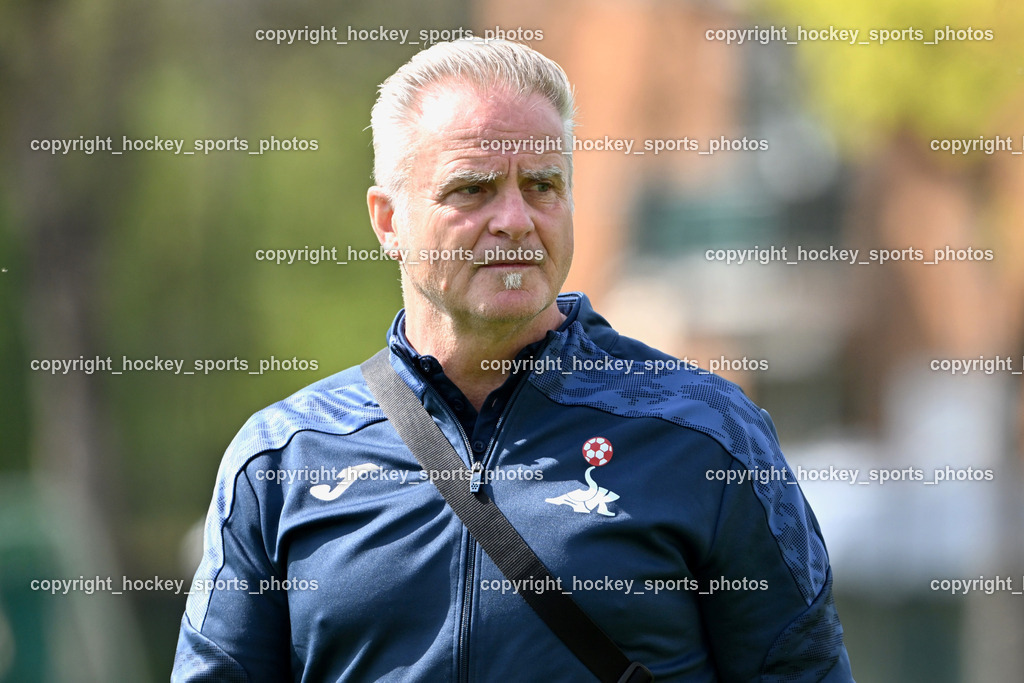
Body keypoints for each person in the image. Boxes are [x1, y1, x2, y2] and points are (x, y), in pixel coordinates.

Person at [172, 38, 854, 682]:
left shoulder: (707, 436)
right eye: (472, 189)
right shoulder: (283, 460)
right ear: (387, 220)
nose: (516, 220)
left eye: (542, 185)